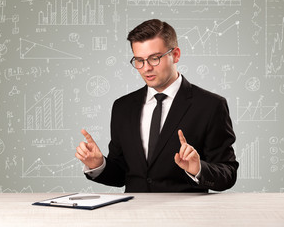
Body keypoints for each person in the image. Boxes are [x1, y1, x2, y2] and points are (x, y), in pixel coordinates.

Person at [75, 19, 239, 192]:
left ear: (175, 55)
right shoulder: (122, 107)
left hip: (186, 214)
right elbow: (121, 175)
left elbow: (228, 173)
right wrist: (99, 164)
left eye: (154, 58)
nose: (146, 68)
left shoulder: (210, 106)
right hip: (133, 213)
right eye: (139, 60)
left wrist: (198, 169)